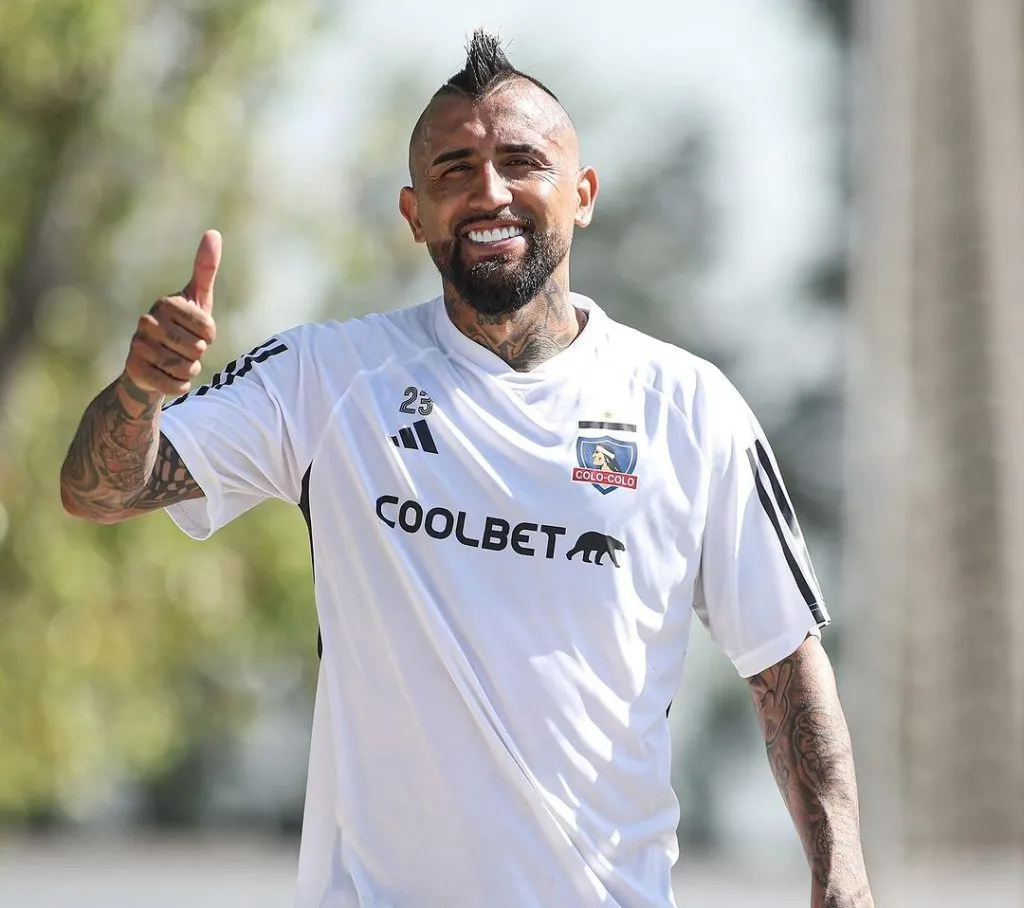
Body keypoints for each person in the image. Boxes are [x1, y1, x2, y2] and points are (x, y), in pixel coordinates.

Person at [59, 30, 873, 908]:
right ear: (414, 214)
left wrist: (843, 878)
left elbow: (783, 664)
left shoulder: (689, 406)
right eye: (455, 171)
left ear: (583, 194)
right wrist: (140, 393)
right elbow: (101, 490)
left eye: (522, 163)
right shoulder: (327, 377)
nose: (490, 193)